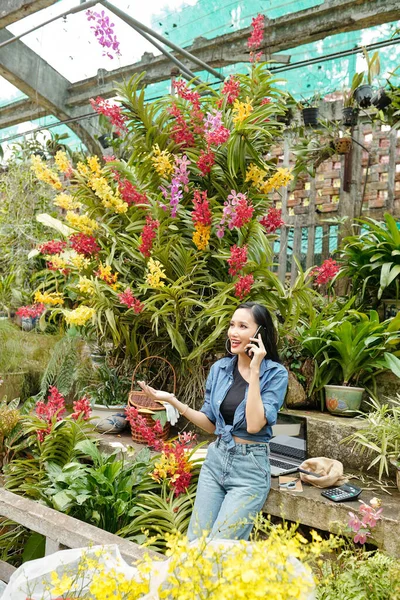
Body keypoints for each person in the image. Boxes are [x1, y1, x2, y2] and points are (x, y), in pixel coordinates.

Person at [138, 301, 288, 540]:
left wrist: (255, 370)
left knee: (220, 549)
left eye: (242, 326)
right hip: (216, 460)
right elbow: (211, 423)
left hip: (249, 471)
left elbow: (253, 425)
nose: (233, 332)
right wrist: (173, 400)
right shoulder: (220, 369)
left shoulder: (275, 374)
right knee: (195, 543)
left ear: (260, 334)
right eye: (231, 325)